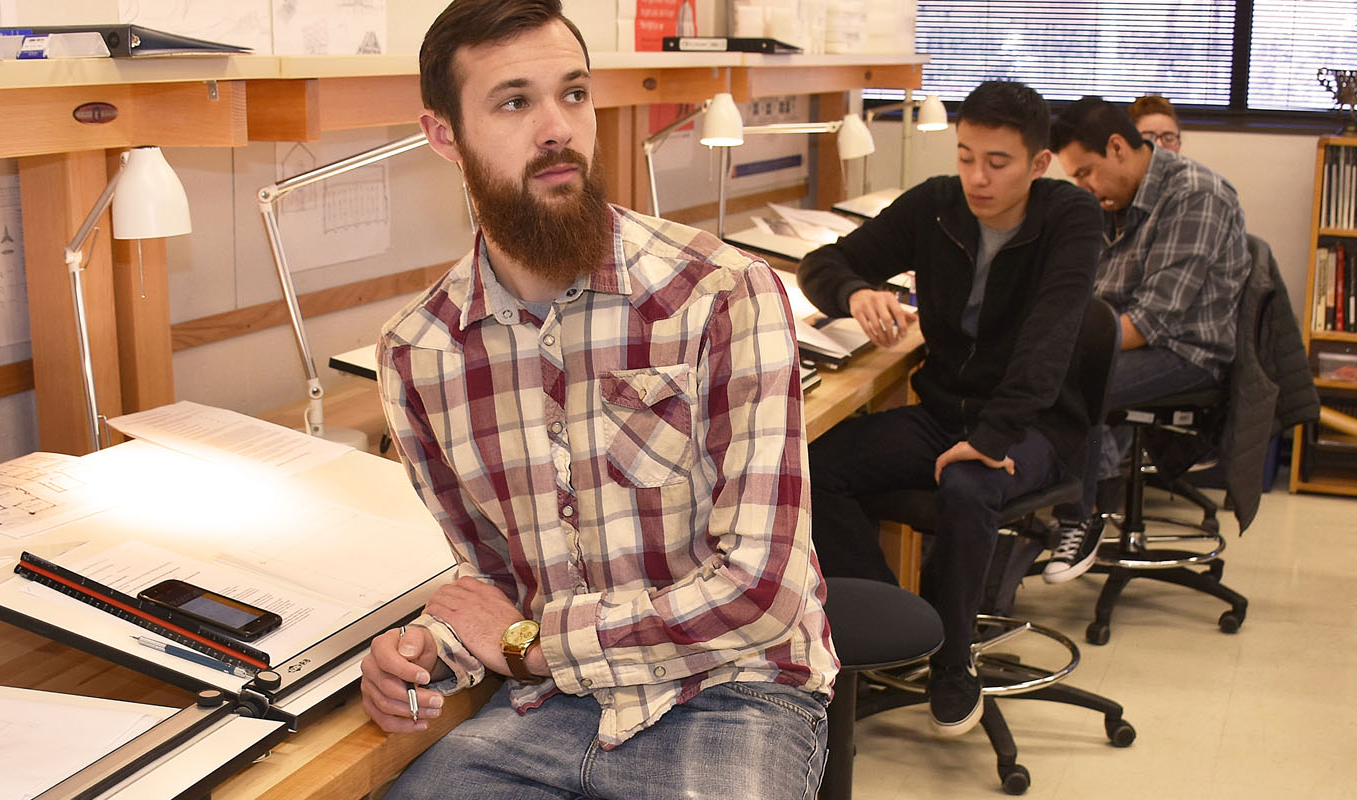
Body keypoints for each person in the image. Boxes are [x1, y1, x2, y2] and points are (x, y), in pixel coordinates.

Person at [361, 2, 836, 797]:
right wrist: (423, 647)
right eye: (515, 102)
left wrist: (538, 645)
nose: (558, 128)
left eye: (573, 95)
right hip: (544, 710)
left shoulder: (721, 293)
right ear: (444, 136)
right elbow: (489, 587)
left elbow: (763, 591)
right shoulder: (418, 355)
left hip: (733, 694)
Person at [799, 80, 1103, 737]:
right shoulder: (938, 206)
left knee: (968, 484)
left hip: (1034, 422)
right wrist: (853, 293)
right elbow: (824, 262)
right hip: (945, 410)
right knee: (811, 464)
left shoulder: (1071, 219)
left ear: (1039, 164)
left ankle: (953, 661)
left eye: (997, 162)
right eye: (966, 156)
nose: (977, 177)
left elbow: (1049, 341)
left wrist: (993, 434)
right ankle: (901, 625)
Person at [1046, 97, 1251, 582]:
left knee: (1071, 383)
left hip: (1187, 352)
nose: (1084, 187)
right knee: (1043, 372)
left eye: (1086, 172)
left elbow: (1152, 321)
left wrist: (1059, 349)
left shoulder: (1196, 195)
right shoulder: (1115, 195)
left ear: (1118, 147)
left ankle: (1082, 518)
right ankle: (1031, 520)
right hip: (1124, 336)